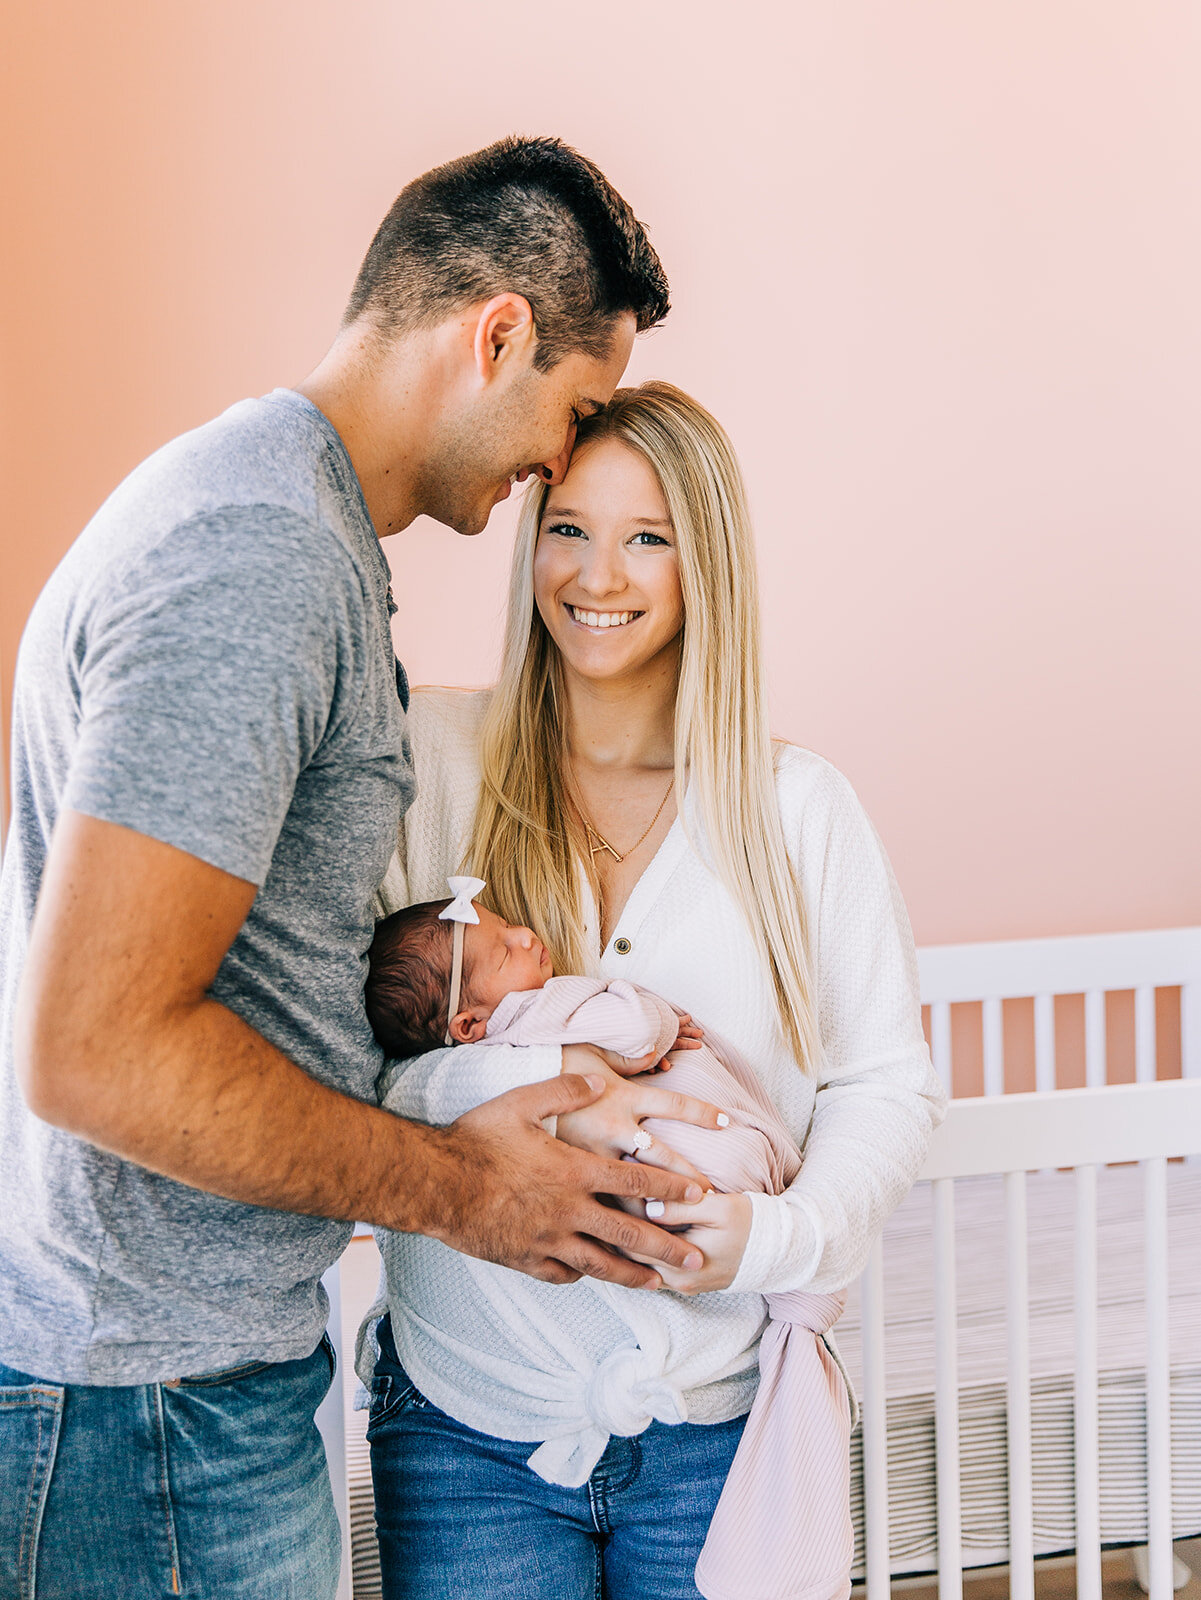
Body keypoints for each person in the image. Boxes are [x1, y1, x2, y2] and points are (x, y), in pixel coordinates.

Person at [0, 139, 726, 1600]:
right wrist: (467, 1191)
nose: (551, 465)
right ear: (498, 334)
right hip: (155, 1409)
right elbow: (93, 1050)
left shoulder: (290, 528)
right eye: (570, 410)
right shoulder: (259, 555)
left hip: (188, 1378)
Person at [363, 380, 947, 1599]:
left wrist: (776, 1235)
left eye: (647, 537)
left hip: (715, 1430)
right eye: (567, 527)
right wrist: (523, 1087)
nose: (596, 574)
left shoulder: (799, 811)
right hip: (472, 1424)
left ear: (705, 562)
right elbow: (348, 1039)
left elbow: (884, 1087)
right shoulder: (426, 760)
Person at [363, 877, 863, 1600]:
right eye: (503, 946)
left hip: (706, 1411)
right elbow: (632, 1034)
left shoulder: (494, 1034)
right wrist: (601, 1054)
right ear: (468, 1025)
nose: (528, 937)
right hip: (474, 1424)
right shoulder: (557, 1012)